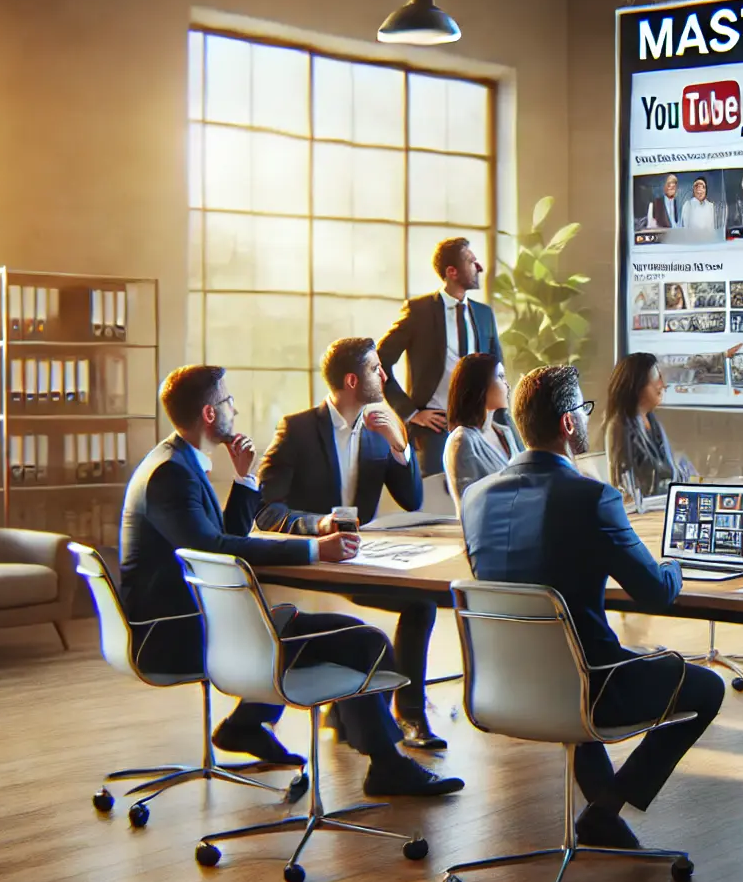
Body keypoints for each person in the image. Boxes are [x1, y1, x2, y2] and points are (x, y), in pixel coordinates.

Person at [119, 364, 462, 796]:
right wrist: (315, 549)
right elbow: (213, 550)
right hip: (175, 635)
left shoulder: (175, 462)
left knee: (330, 634)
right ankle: (385, 764)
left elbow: (223, 538)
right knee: (362, 642)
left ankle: (252, 724)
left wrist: (244, 478)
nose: (235, 408)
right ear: (209, 414)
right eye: (227, 401)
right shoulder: (171, 474)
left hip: (195, 622)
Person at [463, 364, 723, 850]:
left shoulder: (474, 499)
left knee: (569, 660)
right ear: (567, 423)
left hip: (503, 686)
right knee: (706, 688)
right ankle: (606, 808)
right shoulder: (592, 497)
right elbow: (656, 592)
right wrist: (678, 561)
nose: (585, 419)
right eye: (582, 410)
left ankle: (603, 817)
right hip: (587, 688)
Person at [254, 337, 447, 750]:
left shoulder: (380, 430)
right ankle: (353, 709)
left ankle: (407, 715)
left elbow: (412, 499)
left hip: (361, 559)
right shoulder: (298, 429)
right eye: (377, 368)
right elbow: (266, 510)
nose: (385, 375)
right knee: (373, 629)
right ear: (352, 380)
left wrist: (400, 445)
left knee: (421, 603)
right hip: (310, 562)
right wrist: (317, 525)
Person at [377, 237, 505, 478]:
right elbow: (379, 363)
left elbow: (498, 369)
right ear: (451, 271)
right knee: (437, 501)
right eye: (471, 261)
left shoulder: (484, 314)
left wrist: (500, 420)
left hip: (480, 426)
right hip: (434, 428)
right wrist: (411, 413)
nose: (479, 267)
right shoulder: (419, 311)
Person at [603, 352, 694, 502]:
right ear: (638, 385)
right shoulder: (619, 428)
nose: (662, 385)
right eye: (656, 378)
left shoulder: (653, 423)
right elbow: (625, 487)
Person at [443, 351, 525, 505]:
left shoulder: (505, 433)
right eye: (500, 377)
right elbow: (468, 504)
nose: (507, 384)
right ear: (480, 385)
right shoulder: (462, 440)